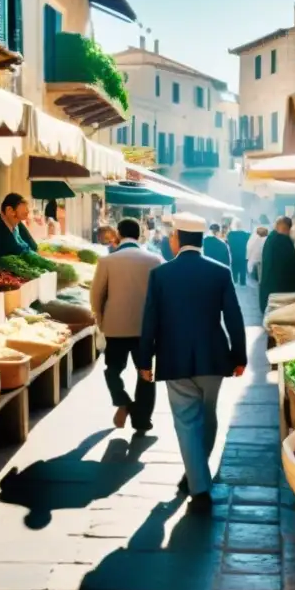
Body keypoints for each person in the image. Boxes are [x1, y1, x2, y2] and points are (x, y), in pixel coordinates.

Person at [137, 213, 247, 510]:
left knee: (187, 421)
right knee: (207, 416)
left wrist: (144, 359)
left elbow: (150, 320)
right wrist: (240, 356)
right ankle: (196, 472)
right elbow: (234, 317)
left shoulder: (161, 275)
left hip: (175, 358)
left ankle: (199, 489)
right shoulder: (220, 272)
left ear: (177, 240)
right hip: (214, 357)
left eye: (171, 236)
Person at [90, 218, 162, 434]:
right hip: (146, 329)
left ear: (118, 235)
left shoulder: (107, 261)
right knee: (146, 373)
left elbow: (96, 296)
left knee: (112, 370)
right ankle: (142, 421)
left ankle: (123, 400)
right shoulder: (156, 260)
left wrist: (101, 322)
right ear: (139, 235)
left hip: (116, 326)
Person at [259, 216, 295, 311]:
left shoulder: (270, 238)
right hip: (281, 296)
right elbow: (292, 268)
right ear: (287, 229)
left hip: (270, 294)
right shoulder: (283, 241)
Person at [226, 220, 251, 285]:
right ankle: (242, 282)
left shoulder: (230, 234)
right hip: (243, 254)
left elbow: (228, 243)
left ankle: (235, 280)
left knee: (234, 267)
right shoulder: (245, 234)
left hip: (234, 254)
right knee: (243, 268)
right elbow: (248, 244)